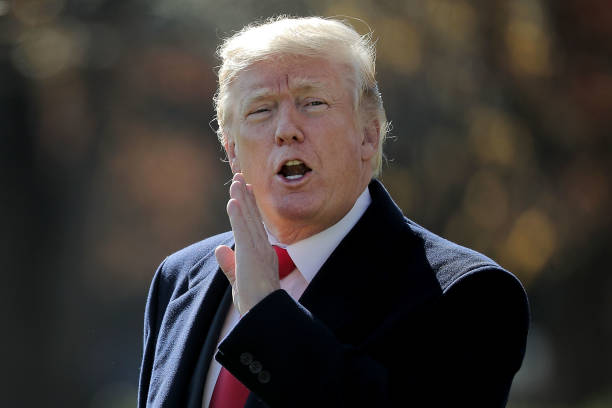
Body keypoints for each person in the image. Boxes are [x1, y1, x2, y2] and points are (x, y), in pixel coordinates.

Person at [137, 16, 530, 408]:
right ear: (232, 148)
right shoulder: (180, 279)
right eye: (261, 110)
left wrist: (267, 317)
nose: (286, 129)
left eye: (313, 103)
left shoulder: (470, 296)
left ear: (368, 134)